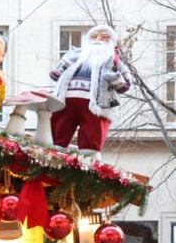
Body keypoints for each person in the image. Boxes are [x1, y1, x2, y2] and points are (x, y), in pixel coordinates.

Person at [49, 24, 132, 152]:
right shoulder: (74, 56)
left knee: (91, 142)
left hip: (97, 106)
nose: (98, 39)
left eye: (104, 37)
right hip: (65, 103)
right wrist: (61, 66)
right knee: (58, 136)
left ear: (111, 42)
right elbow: (55, 75)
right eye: (94, 36)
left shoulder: (114, 62)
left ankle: (88, 165)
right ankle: (51, 159)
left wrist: (115, 79)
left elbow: (126, 85)